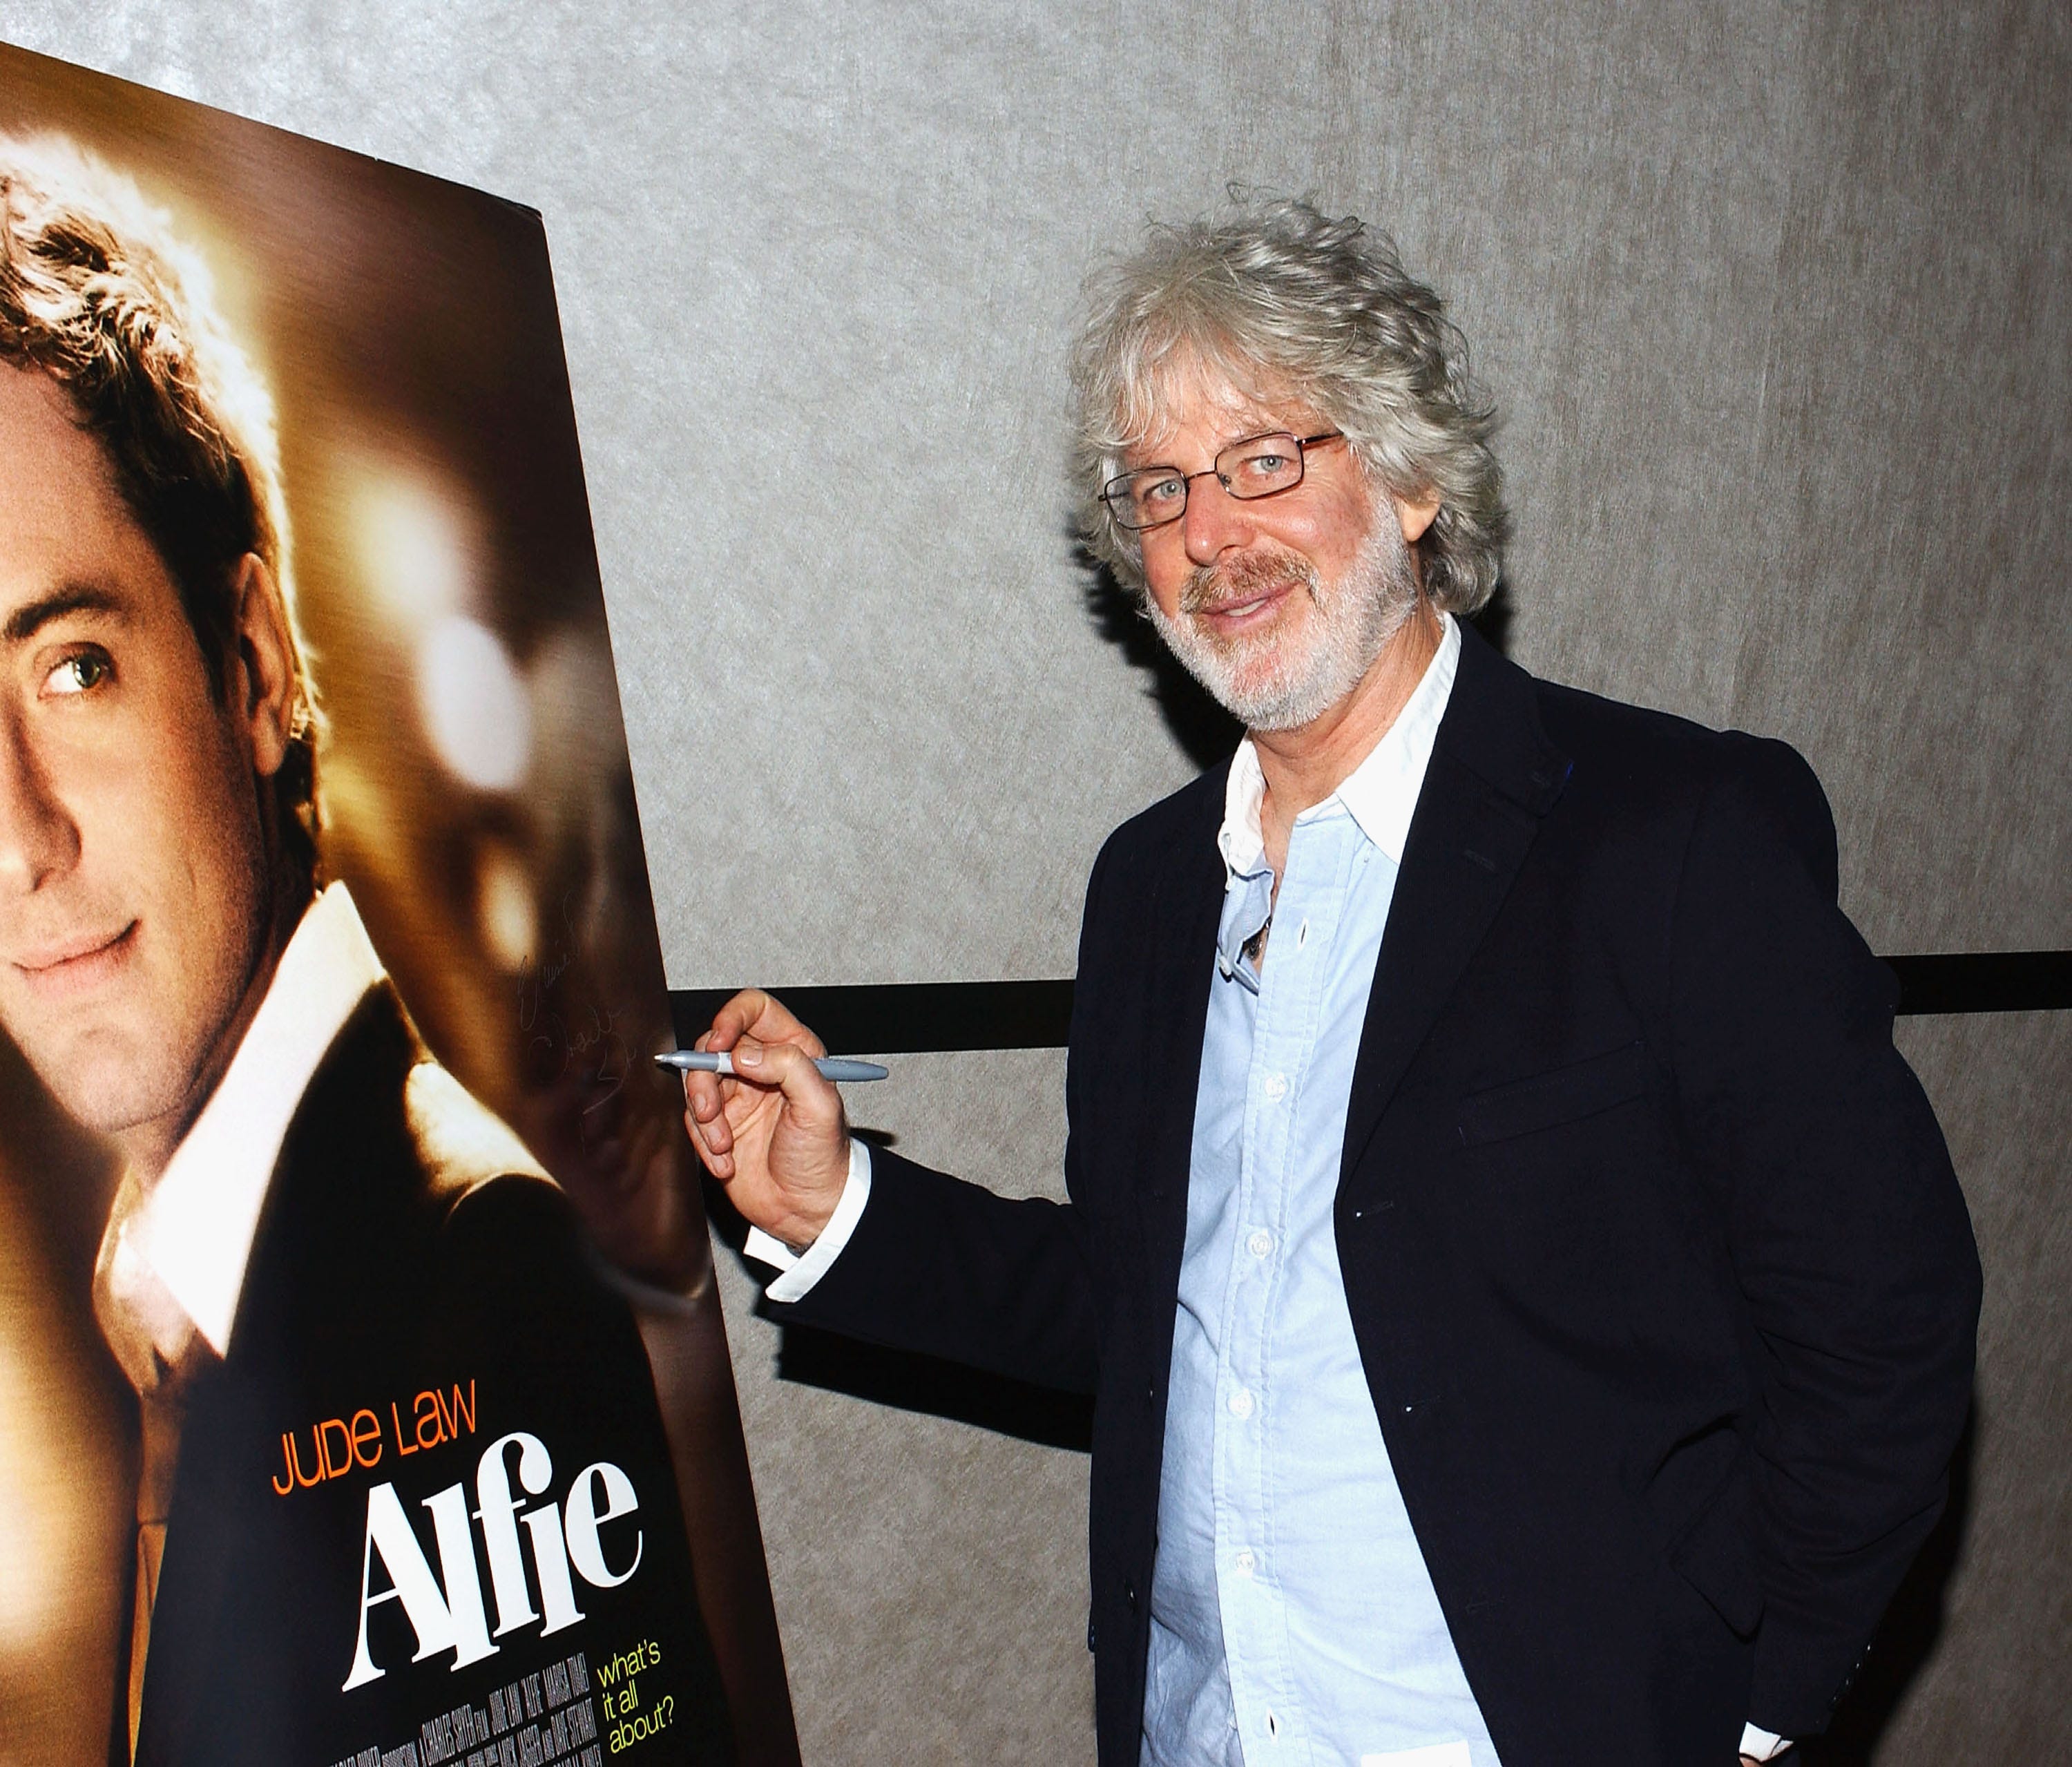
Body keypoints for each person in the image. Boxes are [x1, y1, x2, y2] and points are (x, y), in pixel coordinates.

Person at [682, 198, 1982, 1767]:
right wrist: (838, 1206)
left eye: (1262, 461)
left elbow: (1881, 1323)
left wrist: (1758, 1705)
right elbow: (1154, 1309)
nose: (1207, 536)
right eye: (1158, 488)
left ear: (1417, 477)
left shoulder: (1668, 835)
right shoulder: (1151, 888)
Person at [0, 140, 730, 1764]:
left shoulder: (476, 1264)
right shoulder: (179, 1291)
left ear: (251, 664)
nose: (17, 840)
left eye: (73, 669)